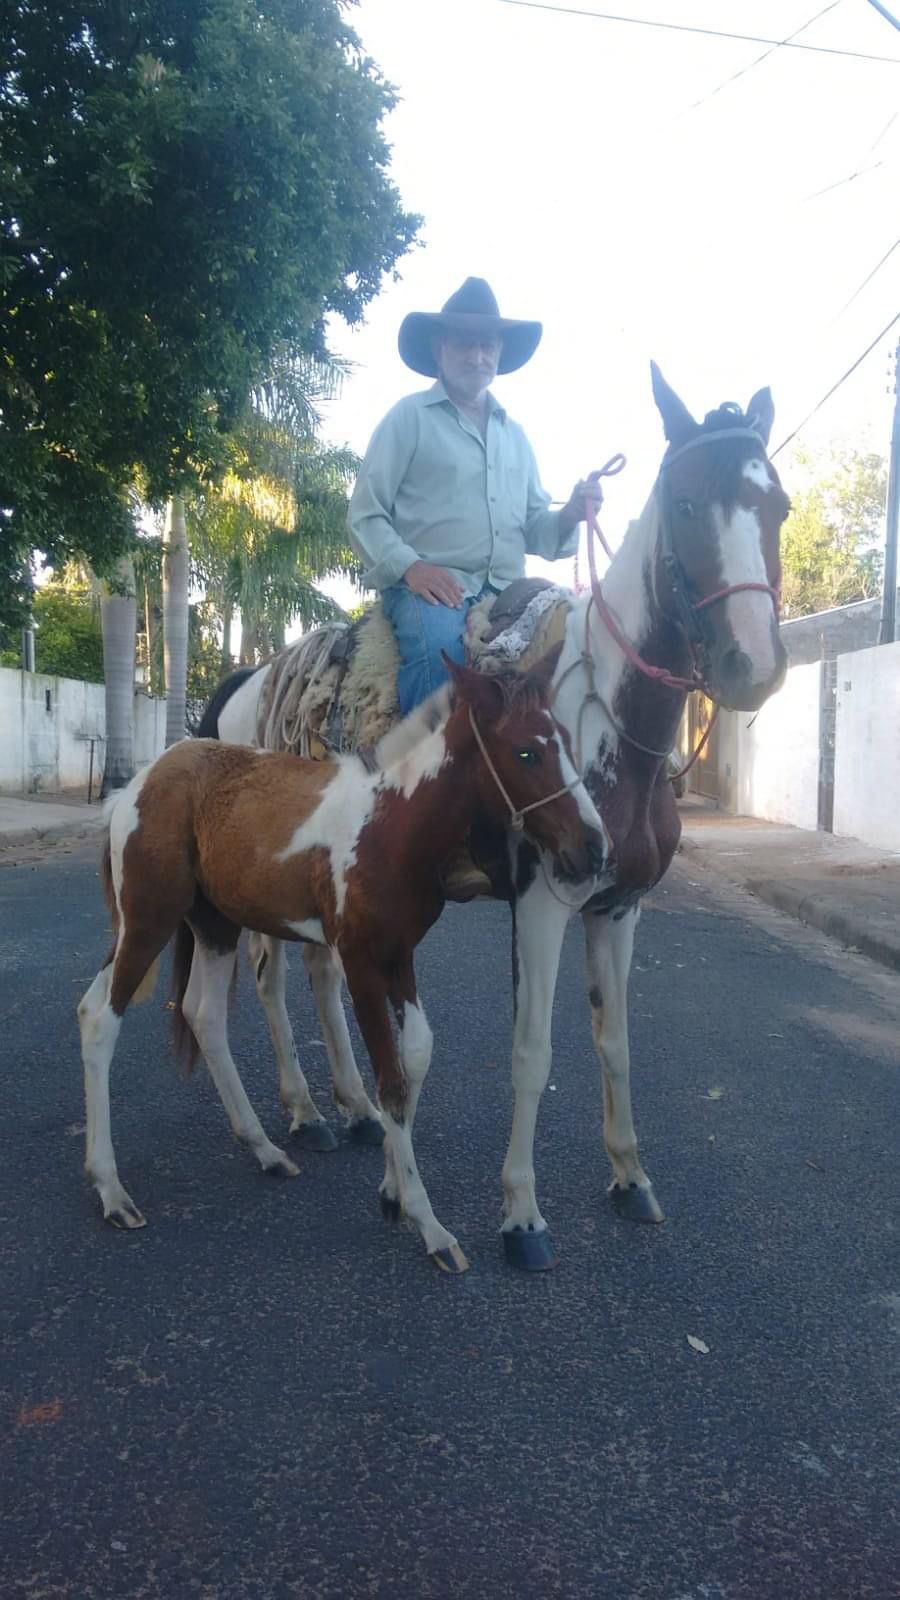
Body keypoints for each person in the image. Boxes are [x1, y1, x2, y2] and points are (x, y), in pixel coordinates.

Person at [348, 276, 602, 898]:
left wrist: (570, 515)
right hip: (432, 588)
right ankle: (433, 823)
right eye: (465, 343)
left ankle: (570, 810)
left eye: (488, 344)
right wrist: (411, 567)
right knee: (445, 676)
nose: (478, 355)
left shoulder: (516, 437)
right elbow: (366, 513)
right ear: (441, 350)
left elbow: (539, 527)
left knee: (579, 654)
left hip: (508, 592)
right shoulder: (408, 419)